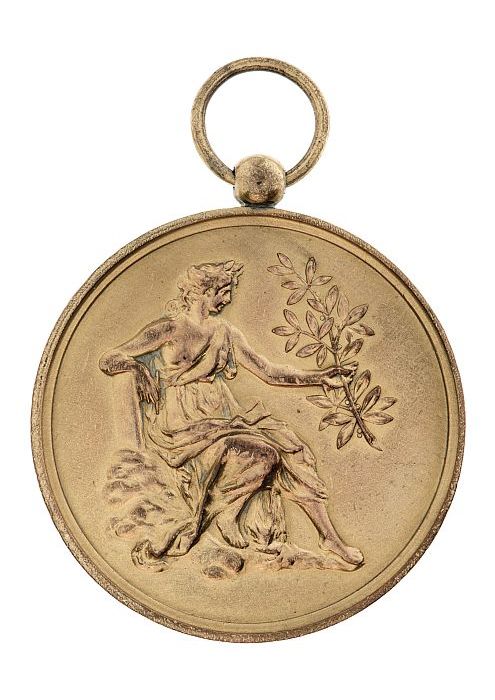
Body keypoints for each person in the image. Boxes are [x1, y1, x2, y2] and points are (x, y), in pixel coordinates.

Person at [99, 261, 363, 566]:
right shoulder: (169, 329)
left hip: (222, 414)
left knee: (291, 448)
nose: (227, 299)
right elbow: (109, 358)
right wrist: (136, 368)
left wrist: (319, 377)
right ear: (203, 291)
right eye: (223, 292)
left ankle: (329, 537)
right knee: (264, 453)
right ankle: (221, 516)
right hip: (182, 422)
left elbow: (269, 372)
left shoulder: (225, 332)